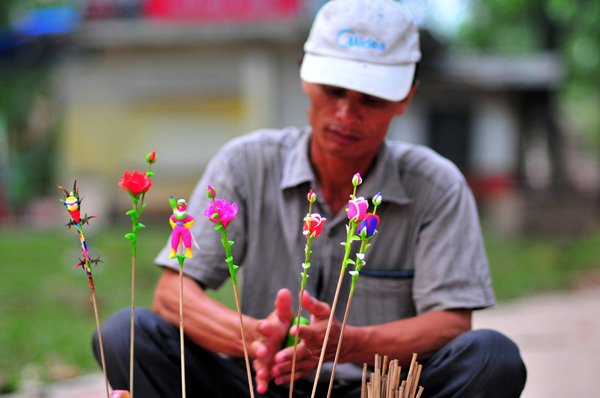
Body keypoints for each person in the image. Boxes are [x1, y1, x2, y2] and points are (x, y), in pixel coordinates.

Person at [94, 0, 527, 396]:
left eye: (371, 99)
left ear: (405, 98)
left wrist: (353, 344)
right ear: (304, 76)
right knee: (126, 335)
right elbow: (172, 294)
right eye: (334, 90)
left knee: (491, 358)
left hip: (379, 389)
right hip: (260, 383)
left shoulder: (437, 186)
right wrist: (256, 337)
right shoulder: (245, 163)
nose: (346, 114)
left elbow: (452, 323)